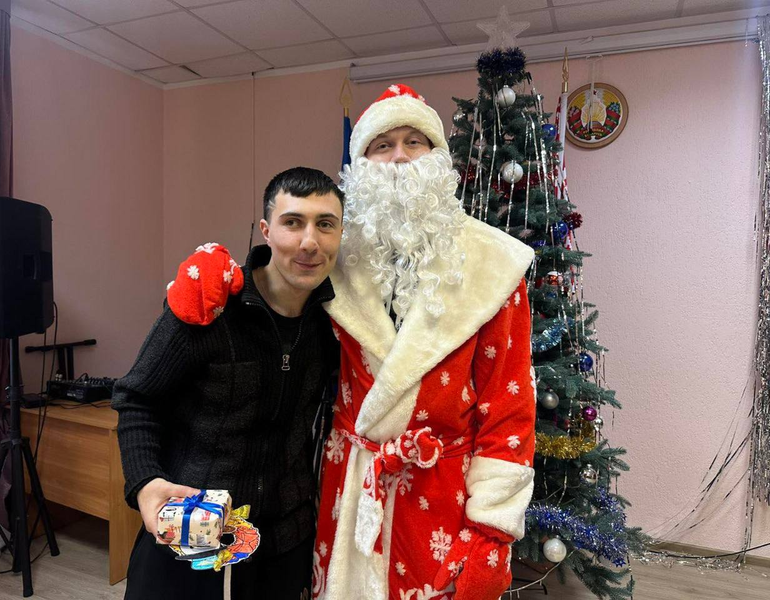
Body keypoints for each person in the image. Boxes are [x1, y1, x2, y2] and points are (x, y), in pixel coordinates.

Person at [169, 84, 536, 600]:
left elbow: (509, 407)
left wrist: (492, 531)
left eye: (414, 141)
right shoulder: (332, 253)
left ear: (438, 158)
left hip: (441, 494)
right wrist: (216, 268)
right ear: (360, 165)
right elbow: (277, 274)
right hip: (348, 486)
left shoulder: (494, 266)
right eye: (382, 145)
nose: (399, 157)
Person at [112, 167, 343, 600]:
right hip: (190, 542)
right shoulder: (210, 303)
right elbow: (137, 397)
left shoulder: (337, 322)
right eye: (293, 222)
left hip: (285, 548)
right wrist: (145, 483)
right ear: (266, 231)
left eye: (325, 224)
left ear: (341, 234)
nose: (309, 242)